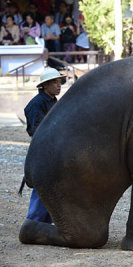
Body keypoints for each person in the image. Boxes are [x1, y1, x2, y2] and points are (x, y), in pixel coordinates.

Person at [23, 67, 65, 223]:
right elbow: (36, 131)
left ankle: (45, 221)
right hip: (42, 150)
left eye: (59, 82)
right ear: (45, 85)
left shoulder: (53, 101)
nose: (58, 85)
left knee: (52, 185)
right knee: (42, 184)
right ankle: (34, 221)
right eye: (54, 82)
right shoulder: (37, 103)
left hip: (52, 149)